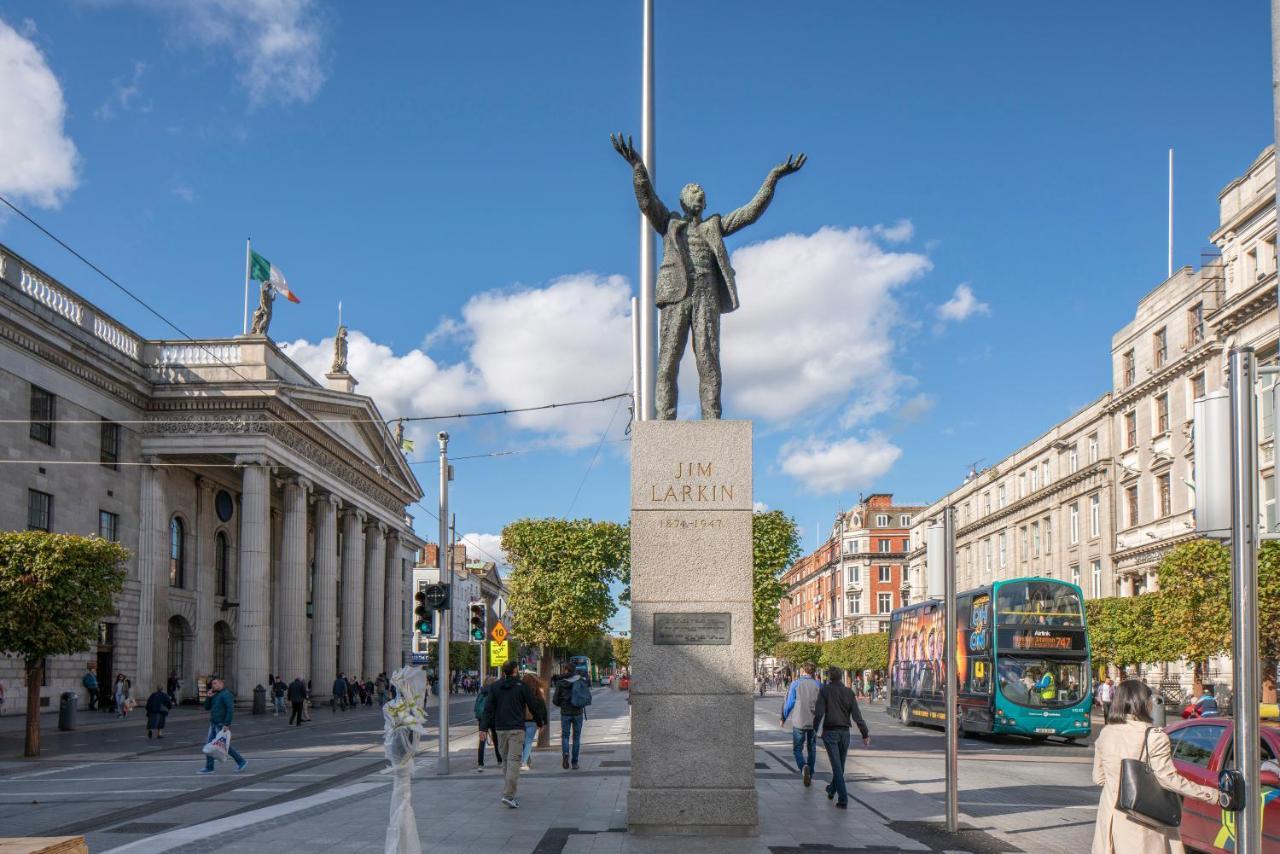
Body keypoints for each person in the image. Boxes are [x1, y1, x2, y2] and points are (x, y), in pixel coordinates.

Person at [1091, 678, 1220, 853]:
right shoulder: (1154, 736)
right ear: (1142, 703)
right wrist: (1212, 795)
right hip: (1141, 821)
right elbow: (1169, 779)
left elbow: (1098, 778)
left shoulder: (1106, 733)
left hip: (1110, 819)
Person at [480, 660, 546, 809]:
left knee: (506, 761)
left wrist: (483, 729)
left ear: (503, 671)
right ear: (516, 670)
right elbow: (533, 706)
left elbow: (488, 709)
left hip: (500, 729)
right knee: (514, 761)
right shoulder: (522, 687)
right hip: (516, 728)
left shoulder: (495, 687)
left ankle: (508, 790)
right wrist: (540, 722)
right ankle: (509, 795)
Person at [813, 666, 870, 809]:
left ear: (830, 677)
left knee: (837, 767)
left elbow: (819, 713)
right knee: (840, 766)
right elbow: (857, 716)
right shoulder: (849, 692)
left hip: (830, 732)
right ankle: (831, 789)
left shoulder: (825, 691)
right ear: (841, 677)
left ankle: (843, 798)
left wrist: (814, 730)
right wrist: (865, 733)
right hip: (845, 733)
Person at [781, 662, 822, 787]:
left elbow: (790, 703)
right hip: (813, 721)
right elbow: (822, 704)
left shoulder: (795, 684)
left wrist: (783, 717)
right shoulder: (818, 684)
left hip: (799, 720)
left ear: (803, 671)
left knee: (797, 748)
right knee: (812, 748)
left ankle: (803, 767)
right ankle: (811, 772)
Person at [200, 676, 247, 774]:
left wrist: (227, 724)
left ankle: (241, 761)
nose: (212, 685)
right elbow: (206, 707)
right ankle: (209, 767)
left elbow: (230, 710)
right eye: (212, 683)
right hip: (213, 723)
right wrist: (208, 697)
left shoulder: (226, 694)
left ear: (221, 684)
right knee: (211, 746)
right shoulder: (215, 694)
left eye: (215, 683)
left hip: (221, 724)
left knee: (223, 746)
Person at [552, 663, 590, 770]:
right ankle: (574, 762)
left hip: (565, 713)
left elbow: (555, 700)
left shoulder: (560, 683)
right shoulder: (580, 680)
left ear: (565, 670)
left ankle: (565, 754)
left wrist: (562, 704)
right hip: (578, 712)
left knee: (565, 736)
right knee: (576, 738)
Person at [519, 672, 547, 771]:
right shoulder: (538, 691)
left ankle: (526, 759)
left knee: (523, 742)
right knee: (528, 741)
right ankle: (524, 762)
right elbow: (543, 708)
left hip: (521, 721)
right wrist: (543, 722)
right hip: (533, 721)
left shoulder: (520, 691)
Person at [474, 676, 502, 772]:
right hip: (494, 718)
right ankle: (500, 760)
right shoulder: (495, 692)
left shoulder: (481, 692)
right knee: (496, 740)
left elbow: (476, 706)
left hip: (483, 719)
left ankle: (480, 764)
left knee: (482, 741)